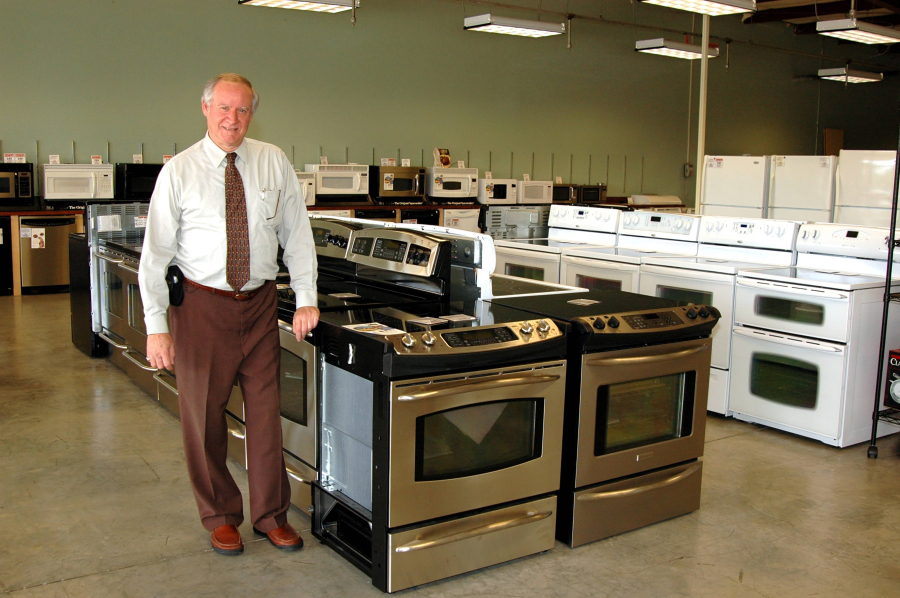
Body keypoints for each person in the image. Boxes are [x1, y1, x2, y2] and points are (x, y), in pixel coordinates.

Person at [138, 73, 319, 556]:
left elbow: (297, 234)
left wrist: (306, 296)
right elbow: (154, 256)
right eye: (223, 107)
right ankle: (220, 515)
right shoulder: (179, 171)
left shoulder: (272, 161)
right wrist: (156, 327)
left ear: (251, 114)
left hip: (259, 305)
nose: (232, 119)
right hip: (201, 308)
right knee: (204, 419)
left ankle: (271, 515)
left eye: (242, 110)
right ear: (205, 108)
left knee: (265, 415)